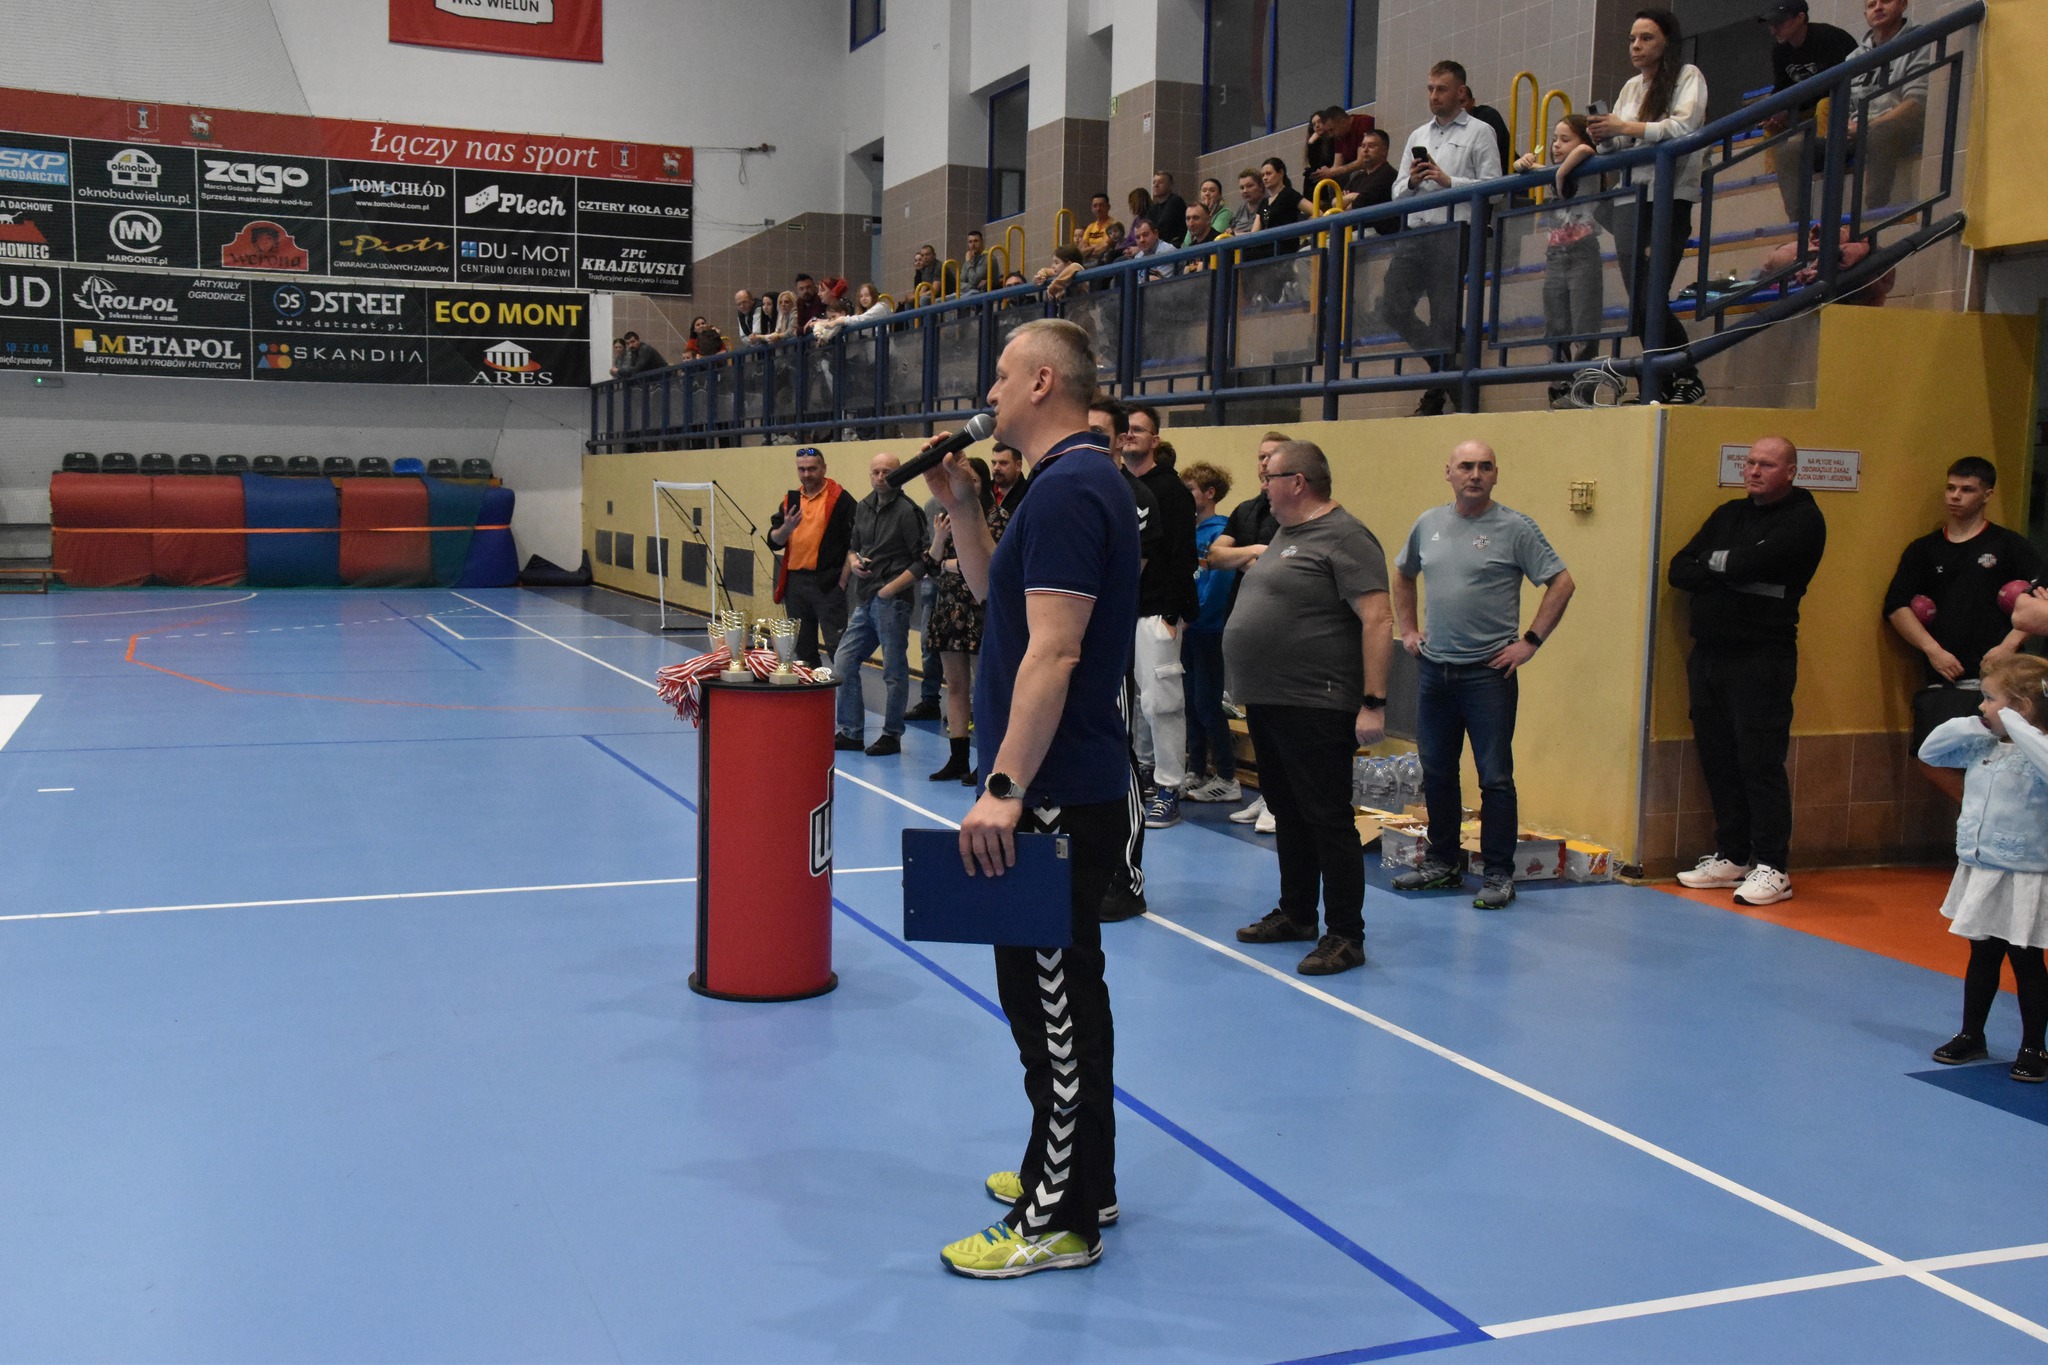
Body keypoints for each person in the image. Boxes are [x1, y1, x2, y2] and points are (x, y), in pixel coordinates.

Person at [920, 318, 1139, 1280]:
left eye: (1004, 376)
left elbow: (1054, 651)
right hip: (1053, 780)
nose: (991, 393)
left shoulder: (1071, 488)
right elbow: (997, 600)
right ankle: (1084, 1178)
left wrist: (1004, 787)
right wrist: (964, 505)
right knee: (1062, 994)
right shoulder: (1060, 484)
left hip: (1049, 787)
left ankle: (1058, 1219)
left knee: (1050, 1004)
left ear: (1044, 381)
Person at [1227, 441, 1392, 976]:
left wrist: (1373, 703)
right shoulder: (1285, 533)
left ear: (1297, 482)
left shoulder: (1346, 536)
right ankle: (1297, 913)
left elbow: (1378, 620)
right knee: (1289, 812)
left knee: (1326, 817)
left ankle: (1345, 934)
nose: (1264, 486)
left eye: (1270, 477)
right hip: (1271, 701)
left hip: (1316, 702)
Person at [1391, 441, 1575, 909]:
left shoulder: (1515, 528)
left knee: (1494, 776)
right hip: (1435, 671)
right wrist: (1408, 630)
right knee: (1437, 771)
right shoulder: (1428, 524)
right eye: (1466, 466)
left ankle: (1498, 873)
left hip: (1488, 676)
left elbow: (1562, 582)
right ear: (1448, 472)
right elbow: (1403, 574)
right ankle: (1442, 864)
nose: (1475, 474)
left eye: (1485, 467)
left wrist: (1529, 642)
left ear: (1495, 475)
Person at [1667, 436, 1826, 907]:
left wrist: (1721, 566)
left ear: (1791, 471)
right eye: (1750, 462)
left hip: (1762, 658)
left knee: (1759, 760)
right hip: (1709, 655)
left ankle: (1773, 866)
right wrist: (1730, 569)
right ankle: (1733, 855)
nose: (1754, 471)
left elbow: (1754, 562)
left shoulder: (1803, 519)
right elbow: (1680, 569)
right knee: (1717, 755)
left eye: (1767, 465)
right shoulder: (1728, 514)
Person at [1919, 655, 2048, 1083]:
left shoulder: (2039, 749)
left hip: (2025, 872)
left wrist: (2017, 725)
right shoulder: (1984, 744)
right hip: (1983, 868)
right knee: (1982, 956)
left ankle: (2034, 1046)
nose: (1981, 706)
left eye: (1989, 699)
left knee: (2026, 960)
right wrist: (1981, 724)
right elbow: (1930, 750)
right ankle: (1971, 1034)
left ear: (2021, 708)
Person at [1883, 457, 2040, 801]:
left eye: (1967, 489)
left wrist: (2008, 647)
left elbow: (2041, 601)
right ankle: (1978, 810)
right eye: (1951, 488)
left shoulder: (2009, 546)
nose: (1955, 496)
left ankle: (1996, 818)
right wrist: (1933, 651)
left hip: (2001, 681)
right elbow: (1896, 606)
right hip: (1946, 678)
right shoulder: (1924, 549)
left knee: (2003, 761)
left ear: (1987, 494)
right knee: (1930, 757)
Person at [1588, 10, 1709, 405]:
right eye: (1632, 39)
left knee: (1651, 299)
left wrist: (1624, 127)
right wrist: (1605, 135)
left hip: (1668, 197)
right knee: (1638, 305)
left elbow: (1683, 127)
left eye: (1646, 38)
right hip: (1631, 199)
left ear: (1666, 42)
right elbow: (1619, 146)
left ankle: (1686, 377)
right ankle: (1662, 382)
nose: (1636, 46)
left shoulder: (1688, 76)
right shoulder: (1630, 87)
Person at [1388, 60, 1505, 416]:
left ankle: (1442, 389)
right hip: (1416, 232)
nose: (1434, 96)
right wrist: (1412, 181)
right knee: (1390, 307)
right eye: (1430, 89)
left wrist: (1448, 181)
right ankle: (1450, 373)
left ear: (1460, 92)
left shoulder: (1480, 131)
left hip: (1454, 232)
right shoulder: (1417, 136)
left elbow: (1496, 188)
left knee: (1444, 319)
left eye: (1441, 89)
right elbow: (1396, 193)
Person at [1087, 396, 1163, 921]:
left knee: (1117, 754)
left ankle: (1127, 876)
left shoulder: (1133, 496)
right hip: (1061, 648)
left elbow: (1120, 577)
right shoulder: (1062, 485)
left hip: (1103, 647)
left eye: (1100, 433)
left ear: (1118, 441)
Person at [1208, 431, 1291, 833]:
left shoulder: (1295, 513)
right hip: (1246, 627)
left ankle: (1282, 802)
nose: (1264, 463)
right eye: (1260, 457)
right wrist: (1255, 552)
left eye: (1272, 456)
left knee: (1280, 721)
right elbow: (1215, 555)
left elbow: (1286, 565)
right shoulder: (1245, 510)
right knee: (1256, 719)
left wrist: (1251, 558)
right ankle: (1268, 795)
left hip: (1284, 630)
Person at [1124, 403, 1199, 829]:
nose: (1131, 435)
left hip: (1158, 613)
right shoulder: (1117, 485)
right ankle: (1143, 773)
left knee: (1162, 702)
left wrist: (1173, 613)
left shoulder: (1171, 490)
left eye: (1140, 430)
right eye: (1127, 429)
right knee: (1132, 703)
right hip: (1122, 612)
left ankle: (1170, 787)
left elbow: (1183, 556)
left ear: (1155, 440)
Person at [831, 452, 929, 757]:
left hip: (893, 601)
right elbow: (854, 547)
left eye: (887, 471)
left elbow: (923, 561)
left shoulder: (908, 512)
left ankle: (892, 734)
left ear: (900, 474)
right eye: (876, 472)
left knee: (893, 671)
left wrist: (891, 589)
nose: (881, 477)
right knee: (843, 661)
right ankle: (851, 731)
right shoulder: (863, 506)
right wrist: (853, 563)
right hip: (865, 597)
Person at [920, 456, 1002, 783]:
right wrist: (939, 541)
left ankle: (988, 759)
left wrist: (948, 564)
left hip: (980, 609)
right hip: (950, 610)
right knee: (955, 686)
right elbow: (929, 566)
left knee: (984, 689)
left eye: (976, 481)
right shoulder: (946, 517)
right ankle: (958, 758)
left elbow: (989, 562)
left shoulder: (997, 517)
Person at [1513, 116, 1603, 405]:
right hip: (1555, 256)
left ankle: (1582, 389)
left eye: (1565, 139)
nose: (1556, 145)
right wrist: (1524, 163)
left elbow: (1587, 150)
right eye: (1554, 139)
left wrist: (1562, 171)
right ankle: (1559, 383)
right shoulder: (1554, 173)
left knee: (1584, 324)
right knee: (1556, 324)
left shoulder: (1590, 167)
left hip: (1582, 253)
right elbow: (1520, 168)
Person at [1759, 0, 1857, 224]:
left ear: (1801, 18)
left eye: (1779, 23)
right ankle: (1772, 177)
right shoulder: (1780, 50)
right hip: (1806, 106)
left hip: (1840, 101)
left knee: (1824, 105)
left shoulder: (1828, 38)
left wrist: (1790, 109)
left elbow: (1833, 86)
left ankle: (1823, 160)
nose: (1774, 30)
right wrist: (1774, 110)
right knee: (1771, 125)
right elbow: (1782, 87)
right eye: (1772, 25)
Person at [1181, 461, 1240, 803]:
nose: (1185, 495)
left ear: (1209, 494)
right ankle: (1196, 769)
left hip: (1208, 629)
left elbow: (1218, 585)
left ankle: (1227, 775)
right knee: (1189, 701)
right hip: (1187, 629)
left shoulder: (1221, 533)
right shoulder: (1188, 532)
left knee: (1207, 703)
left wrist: (1196, 615)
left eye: (1190, 490)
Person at [766, 447, 854, 666]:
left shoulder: (841, 500)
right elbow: (774, 541)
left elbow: (856, 544)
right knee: (803, 648)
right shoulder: (790, 502)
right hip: (795, 584)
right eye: (802, 469)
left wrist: (842, 582)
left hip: (828, 584)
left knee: (838, 648)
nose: (807, 474)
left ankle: (843, 688)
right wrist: (787, 527)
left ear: (824, 468)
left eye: (812, 469)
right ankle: (811, 686)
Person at [1847, 0, 1930, 211]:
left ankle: (1873, 216)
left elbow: (1915, 103)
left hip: (1899, 127)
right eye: (1871, 5)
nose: (1878, 7)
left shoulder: (1921, 41)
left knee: (1880, 133)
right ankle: (1805, 226)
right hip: (1860, 131)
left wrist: (1868, 126)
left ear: (1903, 4)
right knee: (1794, 149)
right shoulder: (1853, 58)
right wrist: (1846, 128)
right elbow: (1844, 109)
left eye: (1885, 1)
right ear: (1865, 14)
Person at [1340, 130, 1399, 226]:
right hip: (1355, 229)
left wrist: (1348, 198)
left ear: (1384, 150)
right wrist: (1353, 196)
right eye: (1363, 146)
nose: (1365, 150)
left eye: (1371, 146)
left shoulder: (1387, 174)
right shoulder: (1358, 176)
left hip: (1377, 231)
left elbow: (1352, 208)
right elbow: (1335, 203)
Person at [1462, 85, 1513, 173]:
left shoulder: (1488, 116)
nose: (1460, 108)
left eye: (1462, 102)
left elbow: (1491, 151)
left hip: (1506, 171)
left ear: (1472, 102)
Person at [1079, 194, 1125, 267]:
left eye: (1101, 205)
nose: (1098, 209)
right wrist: (1095, 247)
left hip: (1103, 262)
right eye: (1095, 206)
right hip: (1087, 262)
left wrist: (1088, 249)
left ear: (1108, 207)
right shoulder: (1090, 227)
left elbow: (1104, 248)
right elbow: (1081, 251)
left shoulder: (1113, 225)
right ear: (1091, 208)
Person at [1145, 171, 1186, 242]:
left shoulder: (1175, 201)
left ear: (1170, 186)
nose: (1156, 185)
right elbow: (1147, 227)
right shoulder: (1154, 208)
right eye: (1154, 182)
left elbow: (1163, 227)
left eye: (1160, 182)